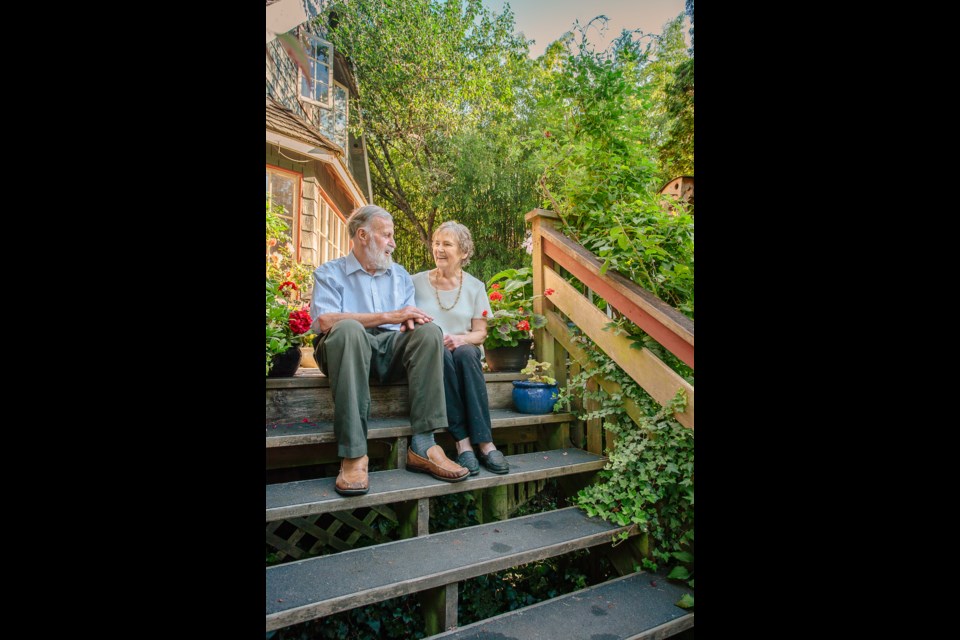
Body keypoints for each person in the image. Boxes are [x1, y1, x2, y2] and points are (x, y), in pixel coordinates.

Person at [311, 205, 469, 496]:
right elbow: (324, 321)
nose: (393, 243)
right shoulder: (330, 273)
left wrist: (412, 322)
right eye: (387, 235)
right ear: (362, 235)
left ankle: (424, 445)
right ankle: (355, 454)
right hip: (344, 349)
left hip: (387, 348)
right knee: (348, 329)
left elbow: (403, 326)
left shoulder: (399, 276)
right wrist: (387, 316)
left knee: (429, 332)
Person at [412, 221, 510, 476]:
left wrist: (460, 339)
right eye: (436, 243)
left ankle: (485, 442)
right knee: (441, 354)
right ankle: (462, 442)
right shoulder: (415, 282)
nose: (439, 249)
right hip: (431, 354)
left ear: (463, 252)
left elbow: (480, 332)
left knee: (467, 353)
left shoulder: (475, 286)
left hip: (463, 349)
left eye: (447, 244)